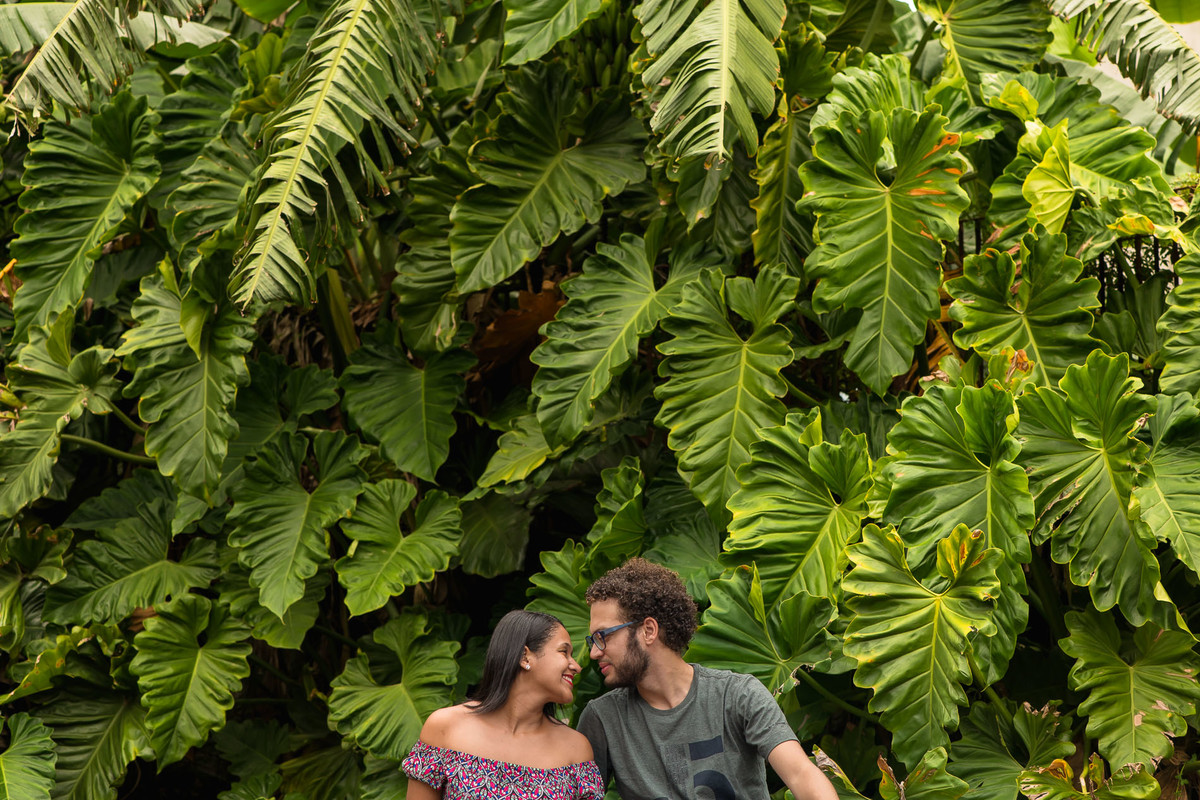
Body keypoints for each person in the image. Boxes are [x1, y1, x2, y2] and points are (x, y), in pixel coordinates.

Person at [577, 558, 840, 800]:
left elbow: (800, 773)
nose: (594, 652)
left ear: (648, 630)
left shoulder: (736, 695)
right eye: (592, 640)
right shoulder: (602, 718)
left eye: (603, 636)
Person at [403, 609, 604, 800]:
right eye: (564, 652)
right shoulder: (446, 728)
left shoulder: (576, 750)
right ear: (525, 656)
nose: (576, 666)